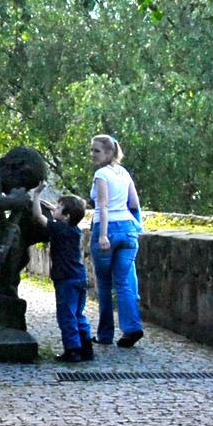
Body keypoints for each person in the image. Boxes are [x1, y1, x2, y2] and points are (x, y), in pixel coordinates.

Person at [87, 134, 144, 348]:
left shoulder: (102, 174)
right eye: (92, 150)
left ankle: (105, 334)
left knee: (103, 284)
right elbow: (134, 203)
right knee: (123, 282)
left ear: (110, 152)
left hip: (108, 230)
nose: (92, 154)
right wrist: (136, 227)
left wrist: (102, 235)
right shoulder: (124, 173)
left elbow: (102, 205)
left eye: (97, 151)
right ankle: (131, 328)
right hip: (128, 230)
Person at [42, 193, 92, 362]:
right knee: (78, 314)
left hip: (66, 279)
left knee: (66, 315)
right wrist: (55, 210)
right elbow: (59, 218)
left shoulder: (59, 229)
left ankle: (72, 350)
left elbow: (38, 217)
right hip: (79, 277)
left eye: (58, 207)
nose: (54, 209)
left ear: (67, 215)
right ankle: (86, 347)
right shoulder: (74, 230)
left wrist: (35, 197)